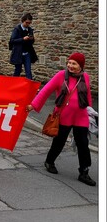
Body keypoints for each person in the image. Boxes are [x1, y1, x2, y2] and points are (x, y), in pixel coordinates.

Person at [26, 52, 96, 186]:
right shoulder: (60, 76)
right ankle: (49, 161)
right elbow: (46, 91)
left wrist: (90, 112)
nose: (70, 65)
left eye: (74, 63)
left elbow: (87, 95)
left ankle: (84, 172)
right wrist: (33, 105)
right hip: (63, 115)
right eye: (69, 62)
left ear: (81, 66)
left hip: (81, 116)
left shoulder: (85, 77)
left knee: (83, 144)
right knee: (59, 141)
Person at [9, 13, 38, 80]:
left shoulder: (30, 29)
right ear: (23, 21)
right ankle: (13, 84)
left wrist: (32, 39)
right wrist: (23, 39)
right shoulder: (17, 29)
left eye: (29, 23)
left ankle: (30, 87)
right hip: (18, 53)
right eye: (27, 23)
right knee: (18, 70)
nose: (28, 24)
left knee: (28, 70)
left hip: (27, 53)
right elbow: (12, 40)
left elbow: (31, 42)